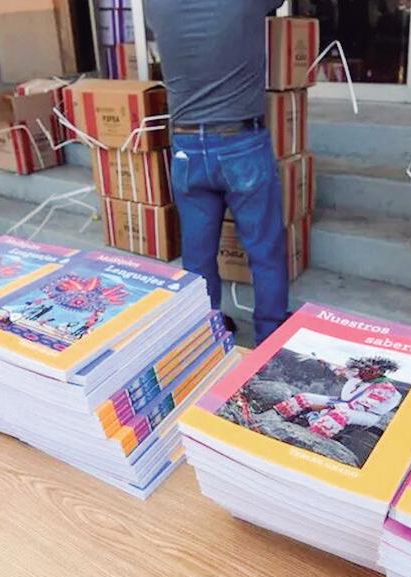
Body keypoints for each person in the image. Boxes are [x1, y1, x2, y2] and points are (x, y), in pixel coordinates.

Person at [145, 0, 287, 345]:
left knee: (197, 255)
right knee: (265, 251)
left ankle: (205, 338)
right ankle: (270, 340)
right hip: (241, 143)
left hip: (186, 147)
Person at [274, 356, 402, 439]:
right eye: (361, 369)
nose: (360, 372)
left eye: (365, 370)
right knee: (304, 397)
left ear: (376, 373)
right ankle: (278, 416)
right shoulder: (360, 376)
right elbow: (340, 371)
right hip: (342, 402)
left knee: (339, 415)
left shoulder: (385, 389)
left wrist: (323, 407)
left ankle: (311, 436)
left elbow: (359, 406)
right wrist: (325, 362)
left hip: (367, 414)